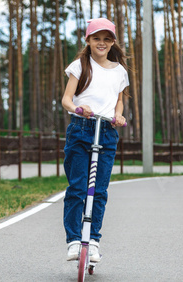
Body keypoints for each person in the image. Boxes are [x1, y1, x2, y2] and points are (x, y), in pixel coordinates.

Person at [61, 18, 129, 262]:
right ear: (88, 40)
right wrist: (79, 109)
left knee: (99, 190)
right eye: (96, 38)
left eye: (106, 39)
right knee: (78, 188)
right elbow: (67, 100)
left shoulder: (120, 71)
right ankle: (73, 241)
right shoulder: (80, 65)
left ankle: (94, 241)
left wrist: (119, 115)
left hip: (107, 131)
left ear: (112, 42)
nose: (101, 43)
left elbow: (118, 101)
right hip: (80, 129)